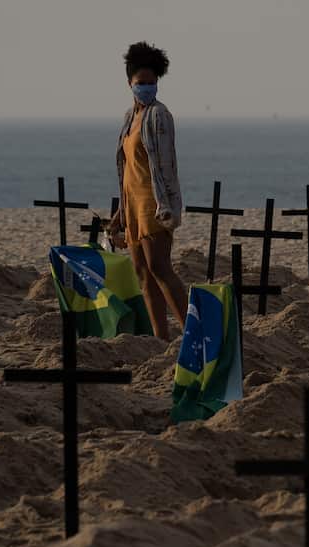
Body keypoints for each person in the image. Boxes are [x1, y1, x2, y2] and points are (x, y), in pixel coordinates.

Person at [108, 42, 188, 340]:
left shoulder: (159, 116)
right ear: (130, 83)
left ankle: (191, 331)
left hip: (154, 203)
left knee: (160, 267)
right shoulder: (129, 118)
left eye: (152, 83)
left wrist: (169, 207)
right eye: (142, 83)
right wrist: (119, 215)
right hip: (132, 205)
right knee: (143, 274)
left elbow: (166, 167)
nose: (147, 88)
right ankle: (160, 338)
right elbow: (128, 171)